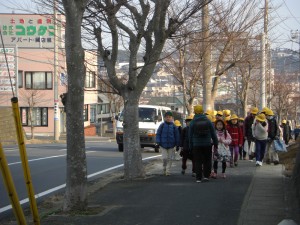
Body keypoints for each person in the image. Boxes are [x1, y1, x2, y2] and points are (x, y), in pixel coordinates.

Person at [189, 105, 218, 183]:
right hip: (207, 144)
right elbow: (213, 133)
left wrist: (190, 145)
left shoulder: (193, 122)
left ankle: (198, 178)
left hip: (196, 144)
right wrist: (216, 143)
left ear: (195, 112)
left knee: (198, 161)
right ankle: (206, 176)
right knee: (207, 160)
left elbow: (190, 135)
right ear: (202, 111)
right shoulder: (208, 121)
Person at [156, 111, 180, 176]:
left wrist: (177, 145)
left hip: (171, 145)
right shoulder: (162, 125)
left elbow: (177, 136)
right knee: (164, 158)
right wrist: (158, 142)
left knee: (170, 158)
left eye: (169, 117)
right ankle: (164, 168)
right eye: (167, 117)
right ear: (164, 118)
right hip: (162, 145)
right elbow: (158, 134)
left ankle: (168, 171)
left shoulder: (174, 126)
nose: (168, 118)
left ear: (172, 118)